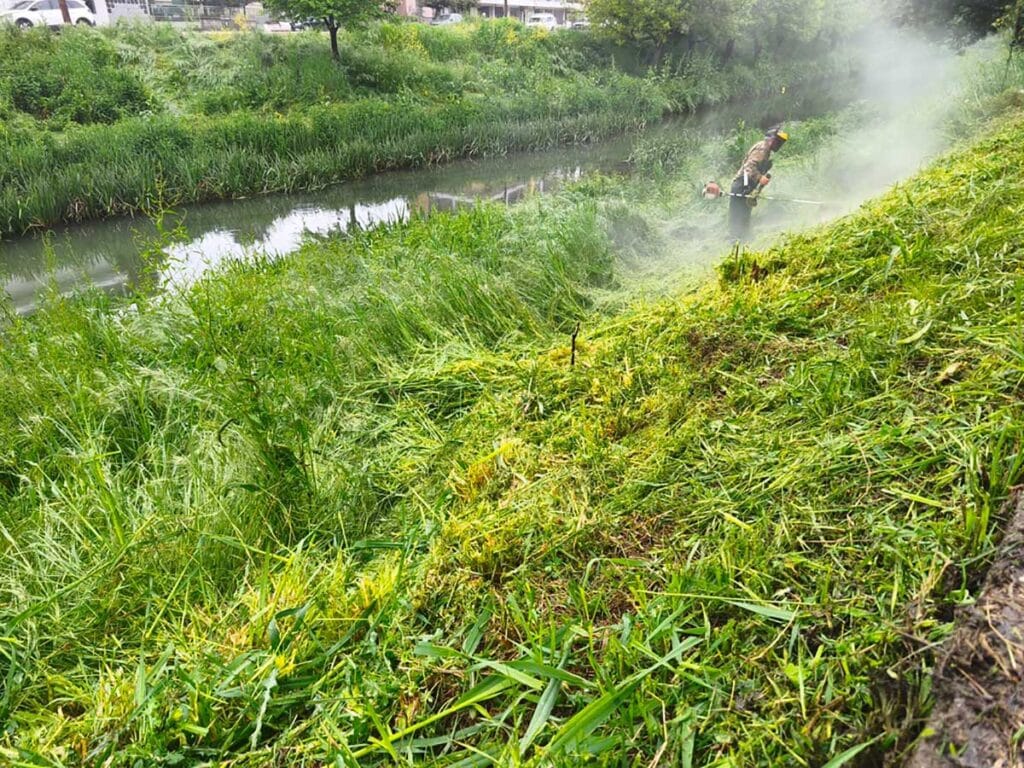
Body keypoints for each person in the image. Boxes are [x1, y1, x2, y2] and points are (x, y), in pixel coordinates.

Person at [729, 127, 788, 241]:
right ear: (771, 139)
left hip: (746, 184)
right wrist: (759, 177)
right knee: (738, 215)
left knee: (745, 214)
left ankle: (744, 238)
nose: (779, 144)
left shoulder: (766, 150)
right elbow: (748, 167)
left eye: (781, 142)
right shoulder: (763, 148)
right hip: (742, 184)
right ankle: (735, 240)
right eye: (778, 141)